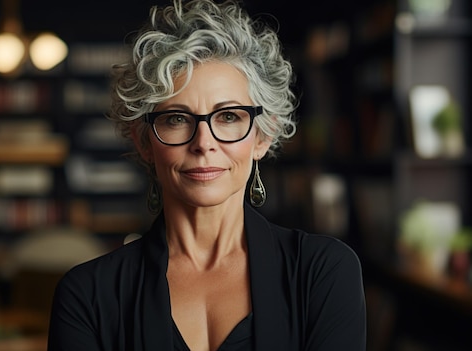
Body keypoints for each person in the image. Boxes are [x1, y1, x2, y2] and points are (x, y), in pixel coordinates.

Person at [48, 0, 366, 350]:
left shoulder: (324, 273)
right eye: (177, 119)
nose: (204, 143)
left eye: (229, 117)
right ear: (144, 142)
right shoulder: (87, 295)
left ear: (262, 136)